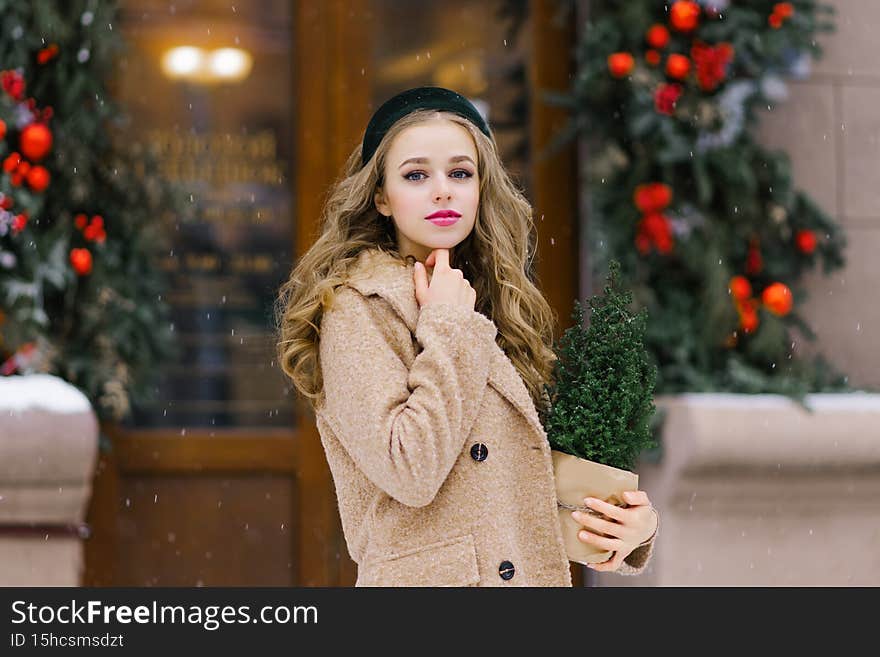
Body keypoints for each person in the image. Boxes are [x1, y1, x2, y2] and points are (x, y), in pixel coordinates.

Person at [275, 86, 659, 586]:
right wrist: (450, 327)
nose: (443, 190)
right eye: (416, 175)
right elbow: (410, 470)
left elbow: (504, 474)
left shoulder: (483, 298)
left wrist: (627, 527)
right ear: (380, 198)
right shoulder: (356, 308)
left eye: (460, 172)